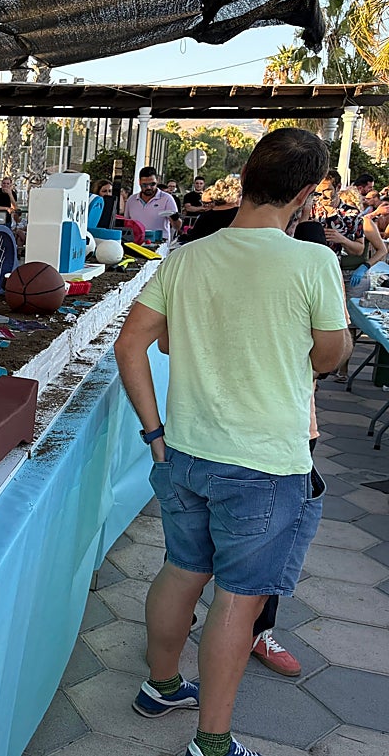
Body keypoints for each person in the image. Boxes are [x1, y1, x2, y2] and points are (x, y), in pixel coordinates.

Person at [115, 128, 348, 756]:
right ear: (303, 193)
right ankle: (212, 743)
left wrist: (155, 435)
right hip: (265, 464)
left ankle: (161, 685)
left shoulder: (187, 257)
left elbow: (130, 345)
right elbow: (331, 354)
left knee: (182, 569)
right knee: (237, 603)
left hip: (185, 452)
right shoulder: (313, 262)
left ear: (246, 176)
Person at [125, 167, 180, 240]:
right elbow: (126, 224)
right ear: (139, 182)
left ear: (157, 181)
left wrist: (175, 218)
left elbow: (177, 227)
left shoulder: (167, 198)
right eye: (144, 185)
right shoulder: (131, 200)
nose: (149, 187)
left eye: (152, 184)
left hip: (159, 243)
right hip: (136, 243)